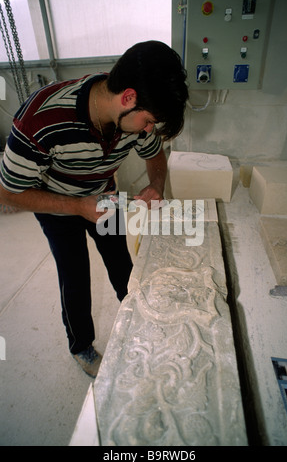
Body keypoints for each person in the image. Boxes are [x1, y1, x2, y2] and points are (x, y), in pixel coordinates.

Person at [0, 40, 188, 377]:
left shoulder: (138, 111)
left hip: (104, 197)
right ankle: (81, 347)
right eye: (148, 121)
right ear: (128, 98)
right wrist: (76, 205)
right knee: (74, 275)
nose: (149, 130)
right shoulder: (41, 120)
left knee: (121, 264)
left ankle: (139, 321)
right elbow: (8, 192)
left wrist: (155, 186)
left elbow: (154, 154)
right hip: (56, 204)